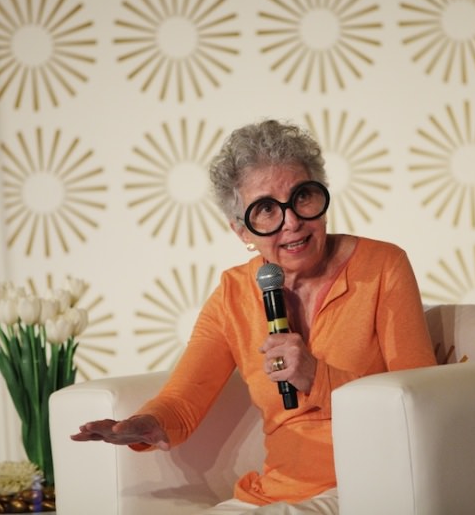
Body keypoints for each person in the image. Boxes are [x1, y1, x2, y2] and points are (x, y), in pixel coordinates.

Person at [71, 119, 437, 514]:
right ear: (242, 231)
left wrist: (316, 376)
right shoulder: (233, 294)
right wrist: (146, 424)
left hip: (368, 486)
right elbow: (182, 400)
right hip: (272, 494)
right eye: (266, 209)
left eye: (302, 196)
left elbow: (419, 403)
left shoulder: (383, 267)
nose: (292, 222)